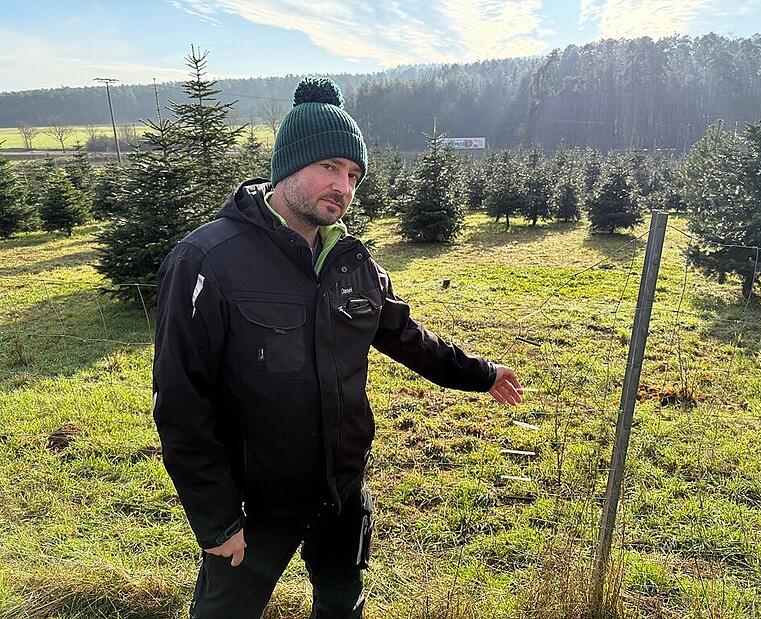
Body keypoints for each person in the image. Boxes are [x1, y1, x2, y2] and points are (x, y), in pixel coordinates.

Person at [152, 76, 523, 619]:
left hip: (341, 487)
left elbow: (404, 336)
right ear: (287, 167)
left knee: (341, 602)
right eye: (329, 167)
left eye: (353, 175)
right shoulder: (209, 259)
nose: (343, 186)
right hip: (256, 505)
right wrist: (216, 520)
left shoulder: (352, 261)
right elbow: (181, 401)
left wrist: (482, 373)